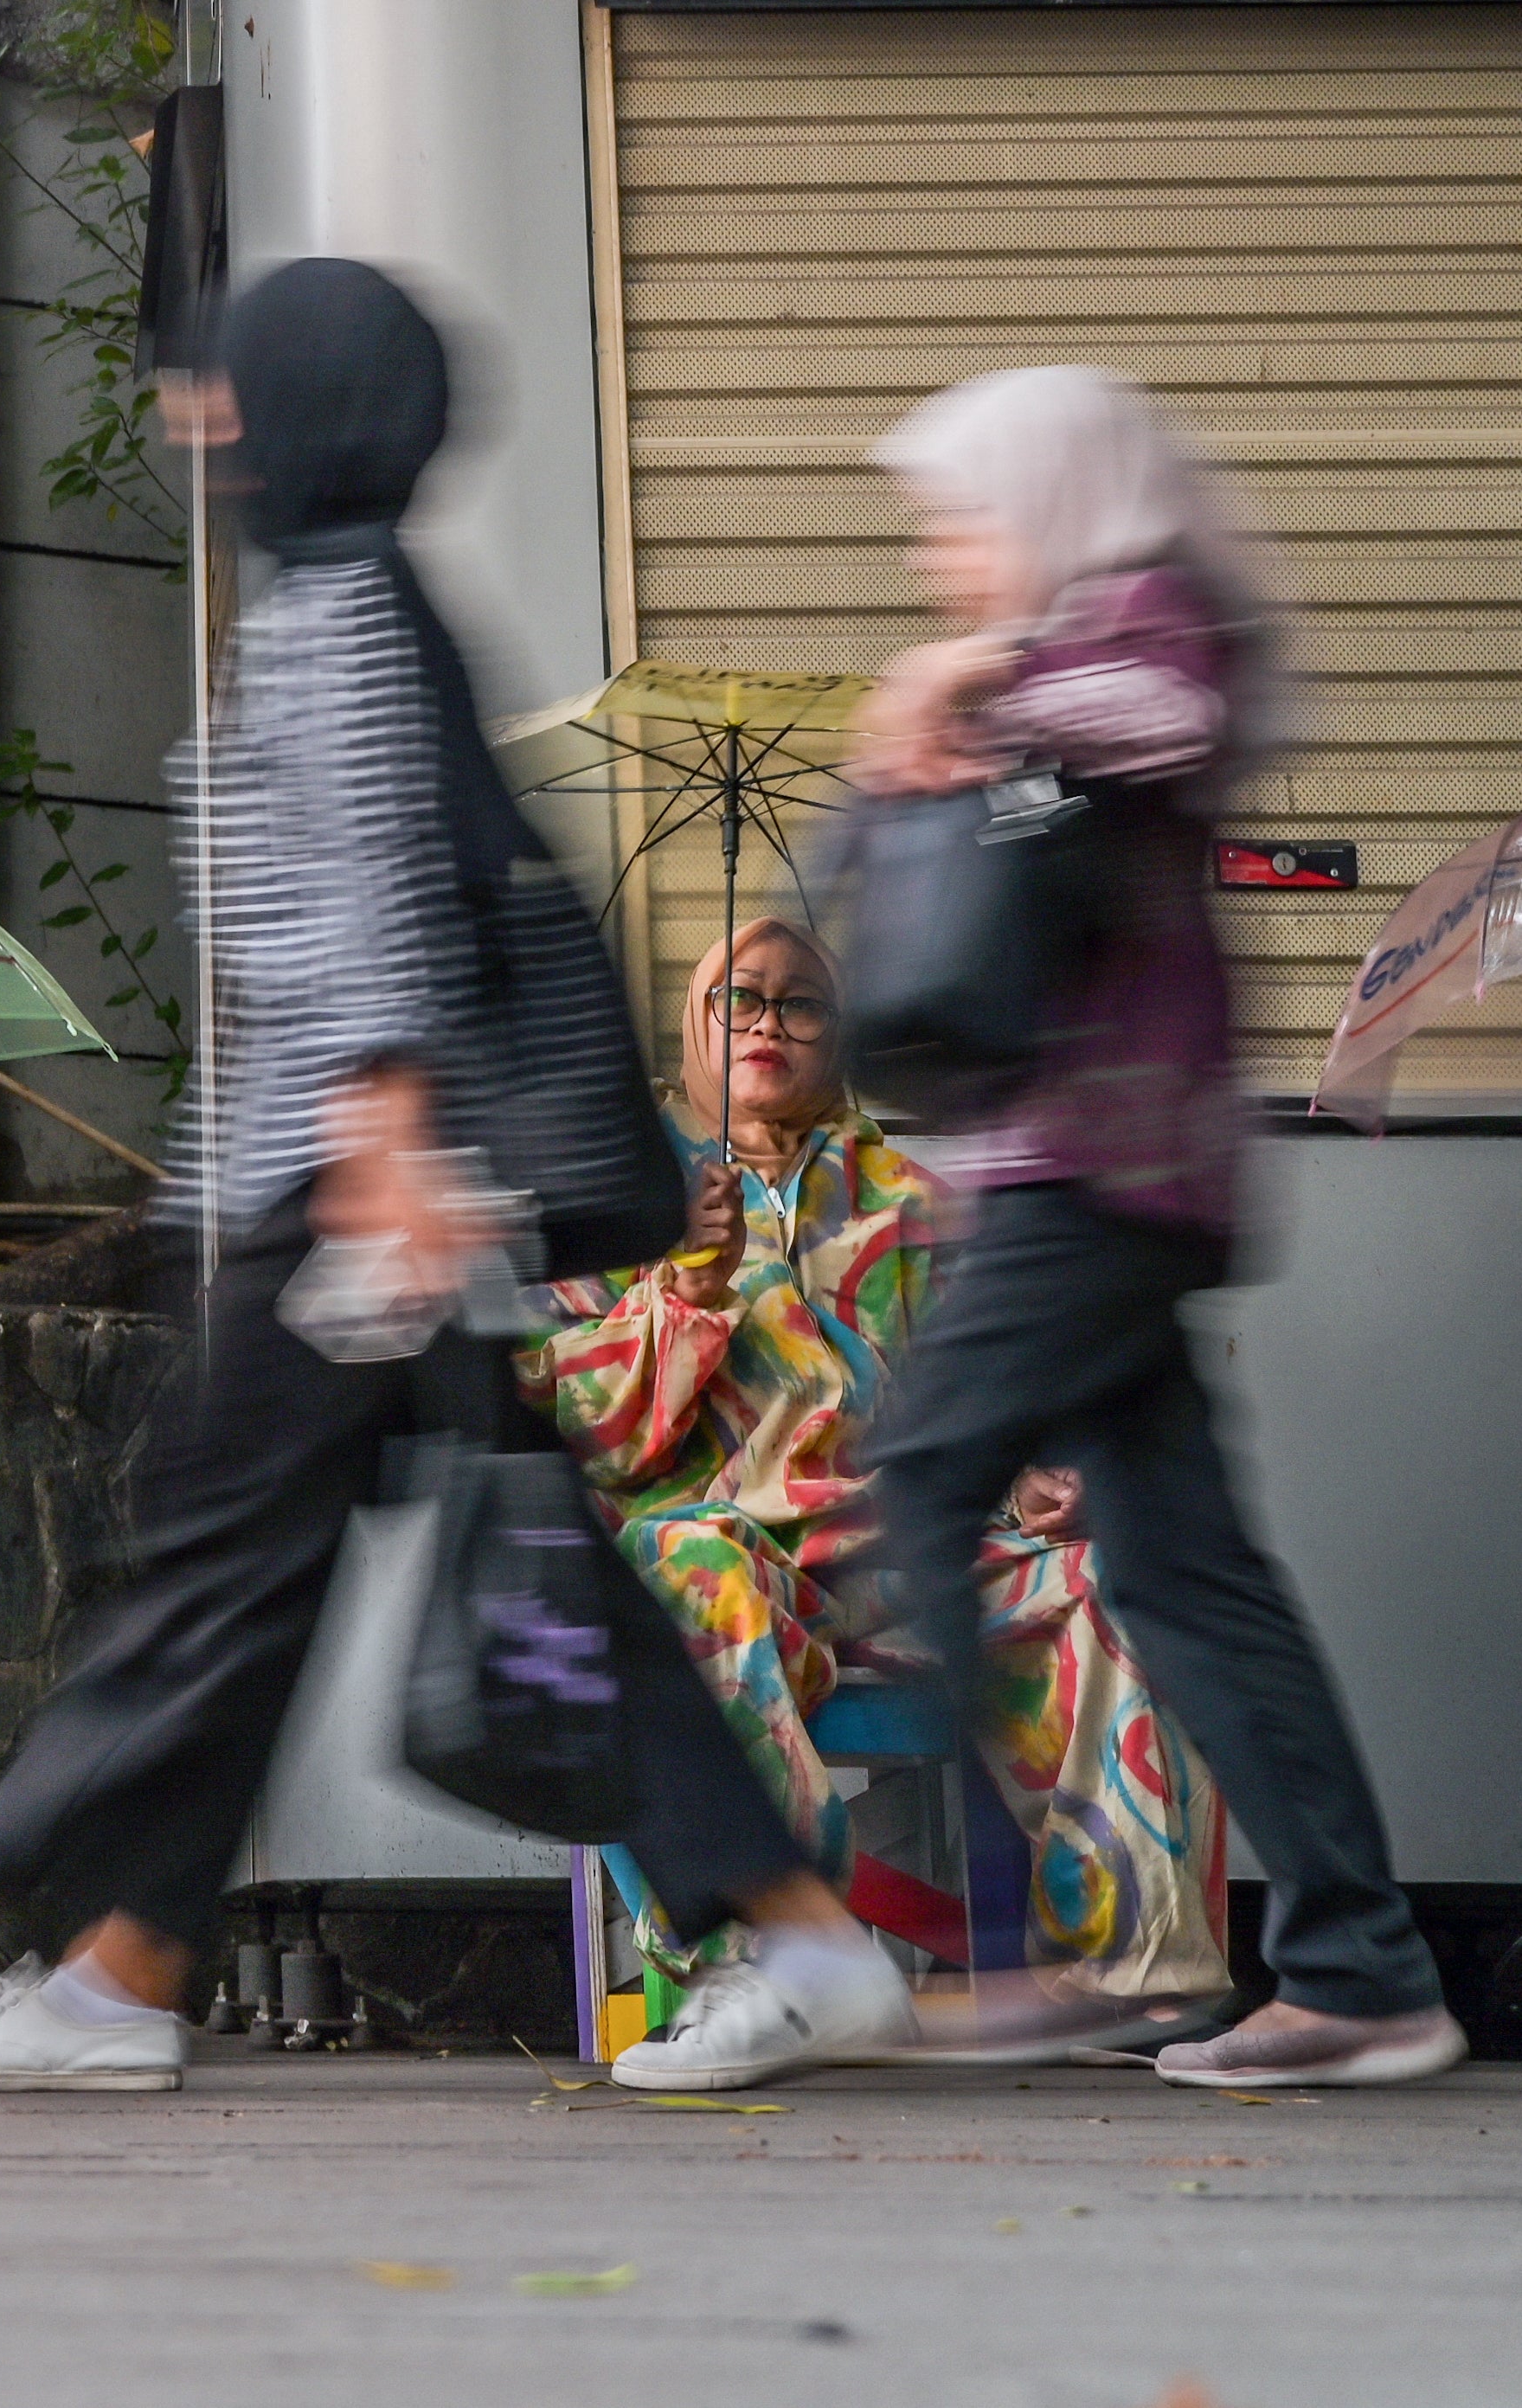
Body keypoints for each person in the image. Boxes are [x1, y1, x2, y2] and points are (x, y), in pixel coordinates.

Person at [0, 259, 918, 2097]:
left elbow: (371, 891)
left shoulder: (331, 612)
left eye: (232, 390)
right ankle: (796, 1934)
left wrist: (375, 1140)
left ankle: (117, 1975)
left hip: (353, 1199)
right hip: (374, 1187)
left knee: (212, 1562)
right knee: (375, 1574)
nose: (204, 422)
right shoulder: (357, 597)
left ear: (300, 409)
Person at [854, 364, 1464, 2086]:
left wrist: (971, 675)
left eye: (956, 513)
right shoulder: (1057, 665)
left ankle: (1021, 1939)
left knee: (915, 1474)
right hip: (1084, 1187)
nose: (936, 553)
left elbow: (1178, 715)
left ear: (1050, 496)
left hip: (1107, 1183)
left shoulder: (1140, 614)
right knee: (1189, 1575)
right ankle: (1357, 1971)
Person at [522, 917, 1230, 2041]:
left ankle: (1133, 1969)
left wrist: (1036, 1470)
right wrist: (676, 1289)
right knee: (682, 1574)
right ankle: (768, 1970)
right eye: (735, 997)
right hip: (726, 1540)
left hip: (911, 1550)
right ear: (690, 1030)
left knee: (1115, 1572)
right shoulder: (615, 1186)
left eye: (798, 1002)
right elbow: (563, 1420)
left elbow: (1003, 1376)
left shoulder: (914, 1201)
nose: (765, 1021)